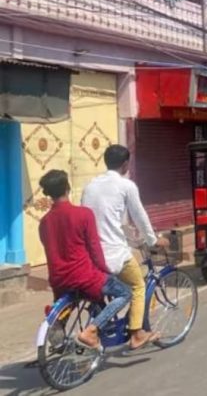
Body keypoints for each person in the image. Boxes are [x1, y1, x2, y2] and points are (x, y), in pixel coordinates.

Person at [82, 145, 169, 350]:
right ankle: (137, 333)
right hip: (113, 254)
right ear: (125, 164)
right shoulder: (126, 186)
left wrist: (127, 235)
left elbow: (100, 220)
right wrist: (152, 240)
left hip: (92, 255)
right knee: (138, 285)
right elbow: (139, 216)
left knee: (111, 288)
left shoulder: (90, 186)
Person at [38, 169, 133, 350]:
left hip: (59, 280)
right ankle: (91, 330)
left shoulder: (44, 222)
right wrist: (106, 270)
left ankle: (58, 331)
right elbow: (95, 250)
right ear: (68, 187)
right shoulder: (83, 214)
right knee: (125, 293)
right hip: (84, 277)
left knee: (77, 300)